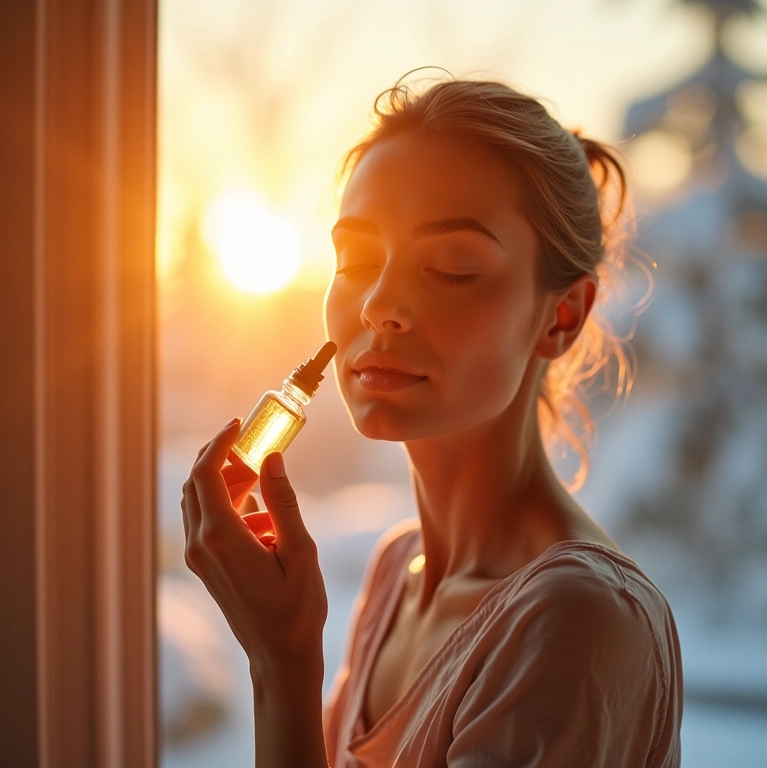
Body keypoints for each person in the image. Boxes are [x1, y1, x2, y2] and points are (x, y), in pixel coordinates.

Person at [181, 75, 684, 767]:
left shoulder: (578, 621)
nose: (379, 304)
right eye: (356, 259)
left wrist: (283, 664)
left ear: (561, 316)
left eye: (450, 266)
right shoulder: (397, 574)